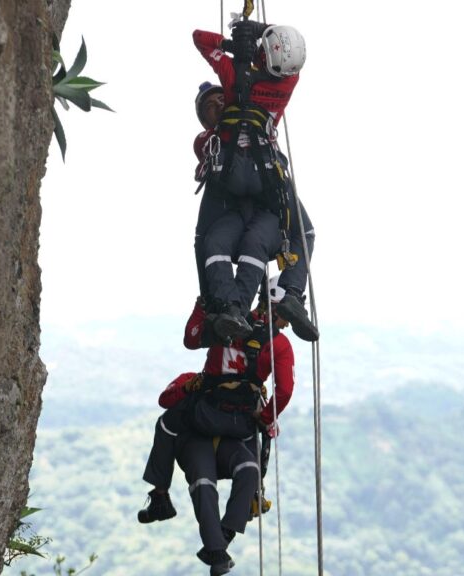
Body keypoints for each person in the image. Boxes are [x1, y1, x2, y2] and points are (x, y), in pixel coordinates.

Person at [137, 277, 296, 574]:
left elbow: (191, 339)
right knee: (248, 469)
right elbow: (284, 390)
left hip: (204, 423)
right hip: (238, 427)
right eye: (287, 316)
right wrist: (264, 417)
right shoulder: (277, 344)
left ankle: (170, 505)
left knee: (201, 479)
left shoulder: (223, 324)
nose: (287, 324)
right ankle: (223, 538)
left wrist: (203, 305)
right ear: (277, 308)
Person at [191, 21, 319, 343]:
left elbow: (199, 39)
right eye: (210, 106)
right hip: (265, 179)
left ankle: (234, 308)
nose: (217, 105)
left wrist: (232, 46)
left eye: (218, 101)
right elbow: (288, 62)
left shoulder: (234, 80)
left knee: (233, 243)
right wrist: (263, 30)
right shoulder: (285, 84)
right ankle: (288, 292)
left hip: (238, 185)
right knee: (302, 233)